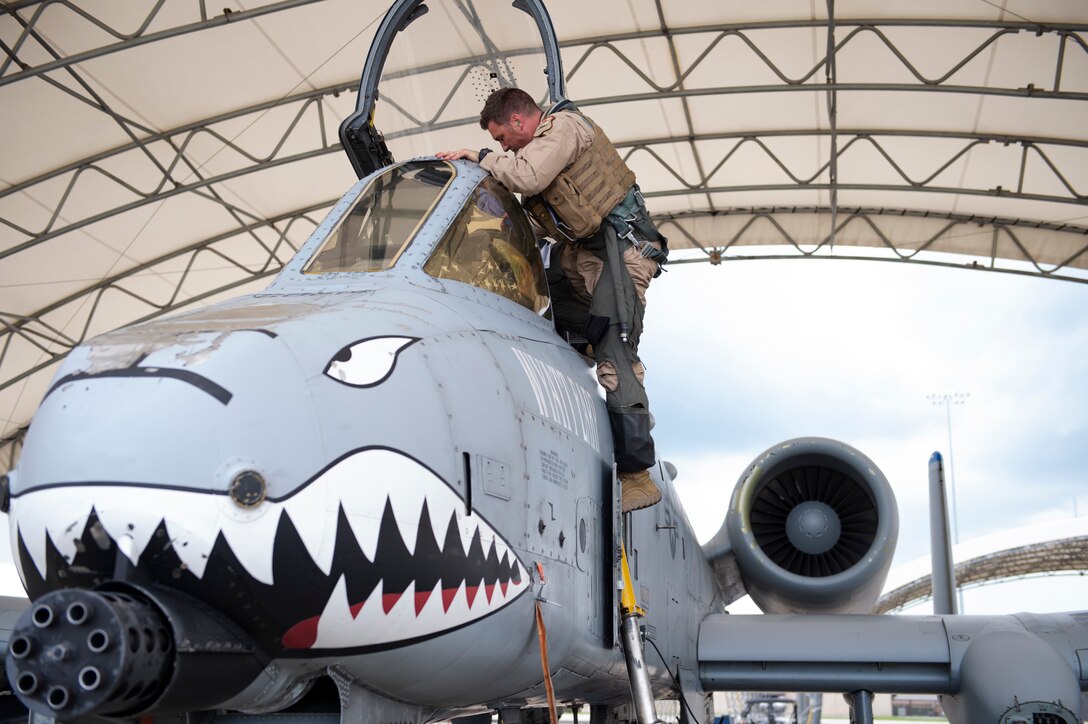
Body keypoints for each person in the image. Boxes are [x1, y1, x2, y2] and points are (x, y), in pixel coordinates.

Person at [438, 87, 668, 513]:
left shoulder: (563, 129)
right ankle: (585, 340)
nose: (501, 146)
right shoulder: (534, 149)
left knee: (614, 355)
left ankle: (638, 476)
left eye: (502, 137)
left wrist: (480, 157)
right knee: (533, 294)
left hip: (623, 253)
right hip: (584, 252)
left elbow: (527, 178)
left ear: (520, 122)